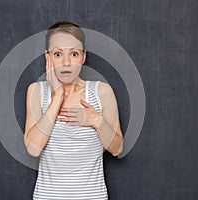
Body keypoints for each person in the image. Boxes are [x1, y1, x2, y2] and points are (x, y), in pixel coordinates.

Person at [24, 21, 124, 200]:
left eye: (74, 54)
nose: (66, 62)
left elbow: (117, 149)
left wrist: (96, 120)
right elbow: (33, 149)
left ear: (83, 57)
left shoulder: (102, 92)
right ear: (48, 57)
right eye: (57, 54)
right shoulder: (36, 91)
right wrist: (57, 97)